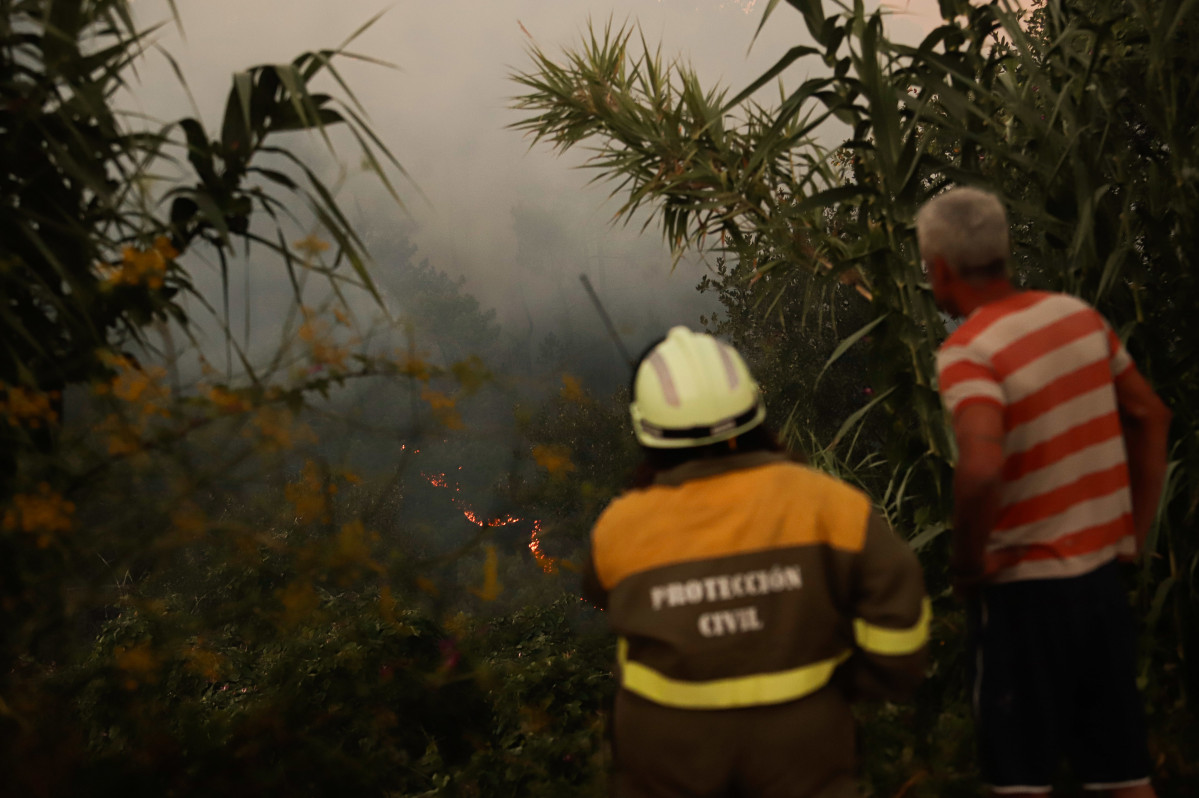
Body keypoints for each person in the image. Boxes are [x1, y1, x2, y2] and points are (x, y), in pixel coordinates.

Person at [582, 326, 929, 798]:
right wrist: (854, 682)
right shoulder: (829, 504)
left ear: (648, 429)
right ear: (753, 411)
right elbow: (899, 604)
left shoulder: (619, 527)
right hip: (803, 751)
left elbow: (599, 593)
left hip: (668, 758)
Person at [918, 186, 1173, 798]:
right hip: (1098, 588)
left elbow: (979, 466)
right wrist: (1134, 533)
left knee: (1018, 780)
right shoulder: (1077, 316)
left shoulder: (968, 352)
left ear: (940, 269)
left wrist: (968, 563)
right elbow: (1151, 415)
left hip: (1022, 602)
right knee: (1122, 774)